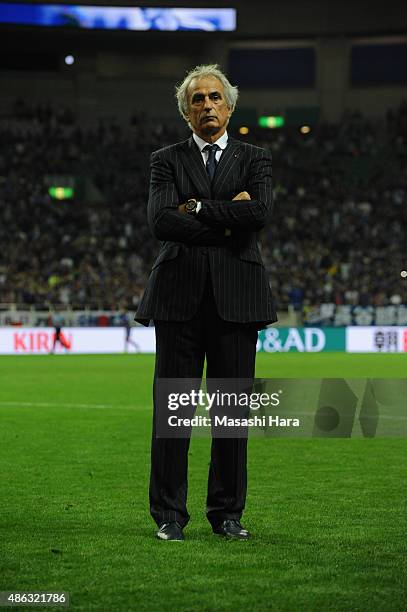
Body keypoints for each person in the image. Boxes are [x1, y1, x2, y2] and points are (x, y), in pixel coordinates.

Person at [135, 64, 277, 541]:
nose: (208, 106)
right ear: (186, 112)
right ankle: (169, 516)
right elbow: (161, 222)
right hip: (178, 296)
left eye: (215, 98)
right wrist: (228, 219)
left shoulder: (256, 158)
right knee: (173, 413)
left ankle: (228, 515)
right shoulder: (165, 159)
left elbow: (258, 213)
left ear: (230, 107)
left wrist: (194, 206)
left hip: (237, 298)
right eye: (198, 100)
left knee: (231, 414)